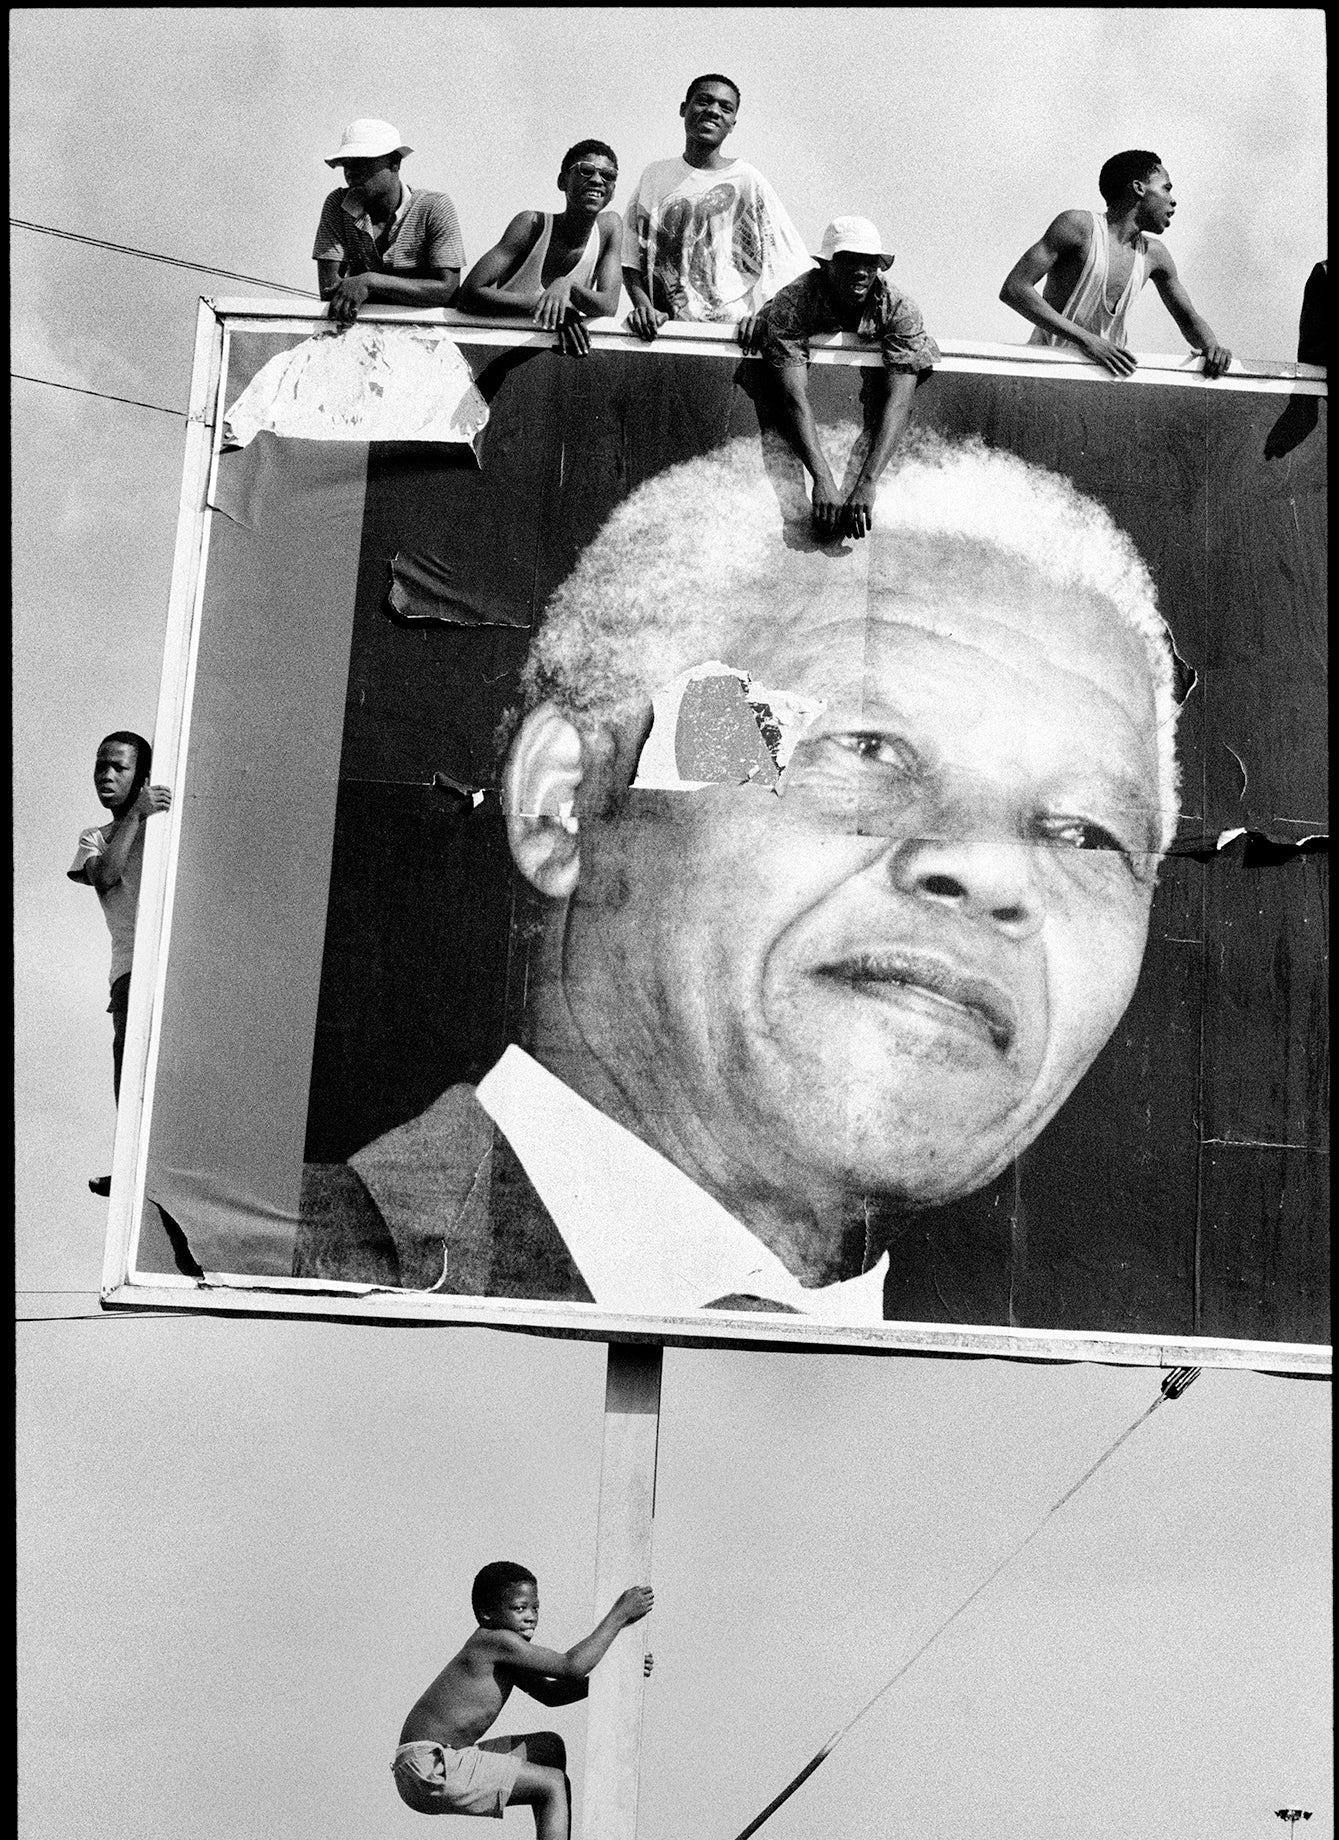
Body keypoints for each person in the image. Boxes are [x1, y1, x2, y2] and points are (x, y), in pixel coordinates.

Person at [297, 425, 1183, 1314]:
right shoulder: (223, 1278)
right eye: (868, 746)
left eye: (1085, 835)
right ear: (567, 804)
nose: (994, 868)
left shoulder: (1018, 1441)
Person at [392, 1562, 653, 1840]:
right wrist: (620, 1613)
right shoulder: (493, 1641)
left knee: (549, 1748)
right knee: (551, 1785)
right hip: (428, 1764)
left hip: (441, 1759)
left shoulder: (510, 1650)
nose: (530, 1616)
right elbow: (571, 1665)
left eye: (535, 1607)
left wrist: (620, 1674)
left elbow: (552, 1694)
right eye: (519, 1608)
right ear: (489, 1614)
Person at [740, 215, 940, 538]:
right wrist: (821, 478)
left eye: (869, 262)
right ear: (827, 265)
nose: (861, 271)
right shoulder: (793, 302)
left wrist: (867, 484)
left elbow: (899, 402)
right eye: (849, 261)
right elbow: (793, 397)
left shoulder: (900, 309)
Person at [999, 149, 1232, 377]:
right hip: (1047, 372)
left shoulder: (1155, 254)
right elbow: (1015, 289)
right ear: (1139, 188)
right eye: (1166, 188)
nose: (1173, 201)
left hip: (1105, 379)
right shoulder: (1079, 227)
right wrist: (1089, 341)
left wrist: (1212, 347)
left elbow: (1187, 318)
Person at [621, 72, 811, 343]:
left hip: (728, 338)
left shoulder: (747, 180)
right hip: (662, 335)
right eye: (704, 101)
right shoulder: (654, 177)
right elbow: (629, 259)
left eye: (725, 107)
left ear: (733, 123)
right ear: (683, 109)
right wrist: (642, 306)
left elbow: (790, 263)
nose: (713, 111)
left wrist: (765, 315)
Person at [68, 732, 171, 1194]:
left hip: (174, 957)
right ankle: (130, 1158)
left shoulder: (165, 823)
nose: (106, 775)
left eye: (120, 768)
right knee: (128, 1061)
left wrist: (150, 811)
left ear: (141, 776)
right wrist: (137, 813)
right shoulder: (97, 837)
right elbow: (106, 876)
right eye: (100, 766)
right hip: (130, 968)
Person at [458, 141, 624, 358]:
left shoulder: (609, 228)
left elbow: (608, 305)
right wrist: (551, 306)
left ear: (612, 191)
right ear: (562, 181)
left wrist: (567, 286)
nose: (596, 180)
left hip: (543, 361)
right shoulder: (530, 225)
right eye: (586, 170)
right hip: (492, 350)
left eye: (608, 175)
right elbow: (469, 294)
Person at [313, 118, 465, 326]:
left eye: (362, 162)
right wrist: (414, 291)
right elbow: (330, 288)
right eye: (346, 164)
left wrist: (370, 282)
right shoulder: (338, 205)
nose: (350, 172)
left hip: (426, 331)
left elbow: (447, 290)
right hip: (358, 329)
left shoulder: (434, 207)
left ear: (395, 162)